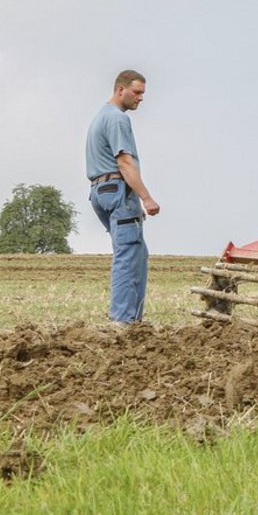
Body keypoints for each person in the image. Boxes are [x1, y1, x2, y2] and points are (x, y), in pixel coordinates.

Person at [85, 69, 161, 324]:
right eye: (137, 92)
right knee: (128, 253)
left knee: (136, 252)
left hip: (100, 191)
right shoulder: (117, 119)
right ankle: (122, 321)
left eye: (143, 94)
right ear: (121, 90)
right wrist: (146, 198)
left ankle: (133, 320)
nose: (140, 98)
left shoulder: (100, 116)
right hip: (118, 191)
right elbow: (125, 162)